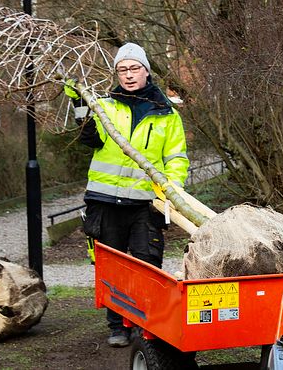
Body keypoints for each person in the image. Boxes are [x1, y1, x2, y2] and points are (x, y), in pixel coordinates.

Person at [65, 42, 190, 348]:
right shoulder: (105, 106)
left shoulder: (167, 114)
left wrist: (172, 190)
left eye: (135, 68)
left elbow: (176, 157)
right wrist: (80, 104)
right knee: (113, 266)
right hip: (105, 201)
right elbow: (88, 138)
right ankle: (118, 324)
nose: (129, 75)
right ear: (117, 74)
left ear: (147, 71)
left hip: (146, 202)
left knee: (148, 262)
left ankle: (144, 321)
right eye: (123, 70)